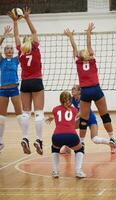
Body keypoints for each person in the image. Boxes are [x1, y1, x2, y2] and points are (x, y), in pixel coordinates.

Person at [64, 22, 116, 153]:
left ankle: (81, 144)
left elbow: (74, 47)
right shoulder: (92, 60)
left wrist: (70, 36)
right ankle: (112, 138)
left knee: (84, 118)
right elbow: (88, 46)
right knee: (105, 115)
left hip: (85, 92)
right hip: (96, 89)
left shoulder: (78, 62)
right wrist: (88, 33)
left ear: (79, 57)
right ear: (88, 55)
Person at [8, 7, 44, 155]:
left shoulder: (21, 50)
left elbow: (15, 35)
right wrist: (27, 18)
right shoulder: (35, 47)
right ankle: (39, 140)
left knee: (26, 113)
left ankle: (24, 138)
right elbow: (34, 32)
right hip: (36, 81)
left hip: (25, 83)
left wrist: (15, 22)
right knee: (39, 112)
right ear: (31, 41)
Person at [60, 84, 116, 154]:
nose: (72, 89)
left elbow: (81, 112)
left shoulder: (83, 99)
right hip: (82, 119)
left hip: (91, 119)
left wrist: (73, 118)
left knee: (94, 139)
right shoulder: (72, 99)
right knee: (68, 128)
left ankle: (111, 144)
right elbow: (65, 106)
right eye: (72, 88)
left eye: (74, 88)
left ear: (79, 91)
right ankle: (67, 147)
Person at [46, 91, 86, 178]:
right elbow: (80, 114)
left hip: (57, 136)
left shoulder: (55, 109)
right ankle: (78, 171)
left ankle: (55, 171)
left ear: (60, 100)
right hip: (71, 136)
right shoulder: (74, 110)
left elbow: (58, 114)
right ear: (70, 100)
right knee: (79, 149)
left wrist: (51, 118)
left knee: (54, 149)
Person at [0, 25, 23, 151]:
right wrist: (3, 36)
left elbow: (22, 50)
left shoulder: (16, 59)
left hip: (14, 89)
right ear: (4, 51)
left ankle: (24, 137)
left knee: (19, 114)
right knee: (1, 117)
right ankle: (0, 142)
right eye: (7, 49)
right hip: (3, 90)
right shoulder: (1, 60)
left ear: (13, 51)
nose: (9, 50)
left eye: (10, 49)